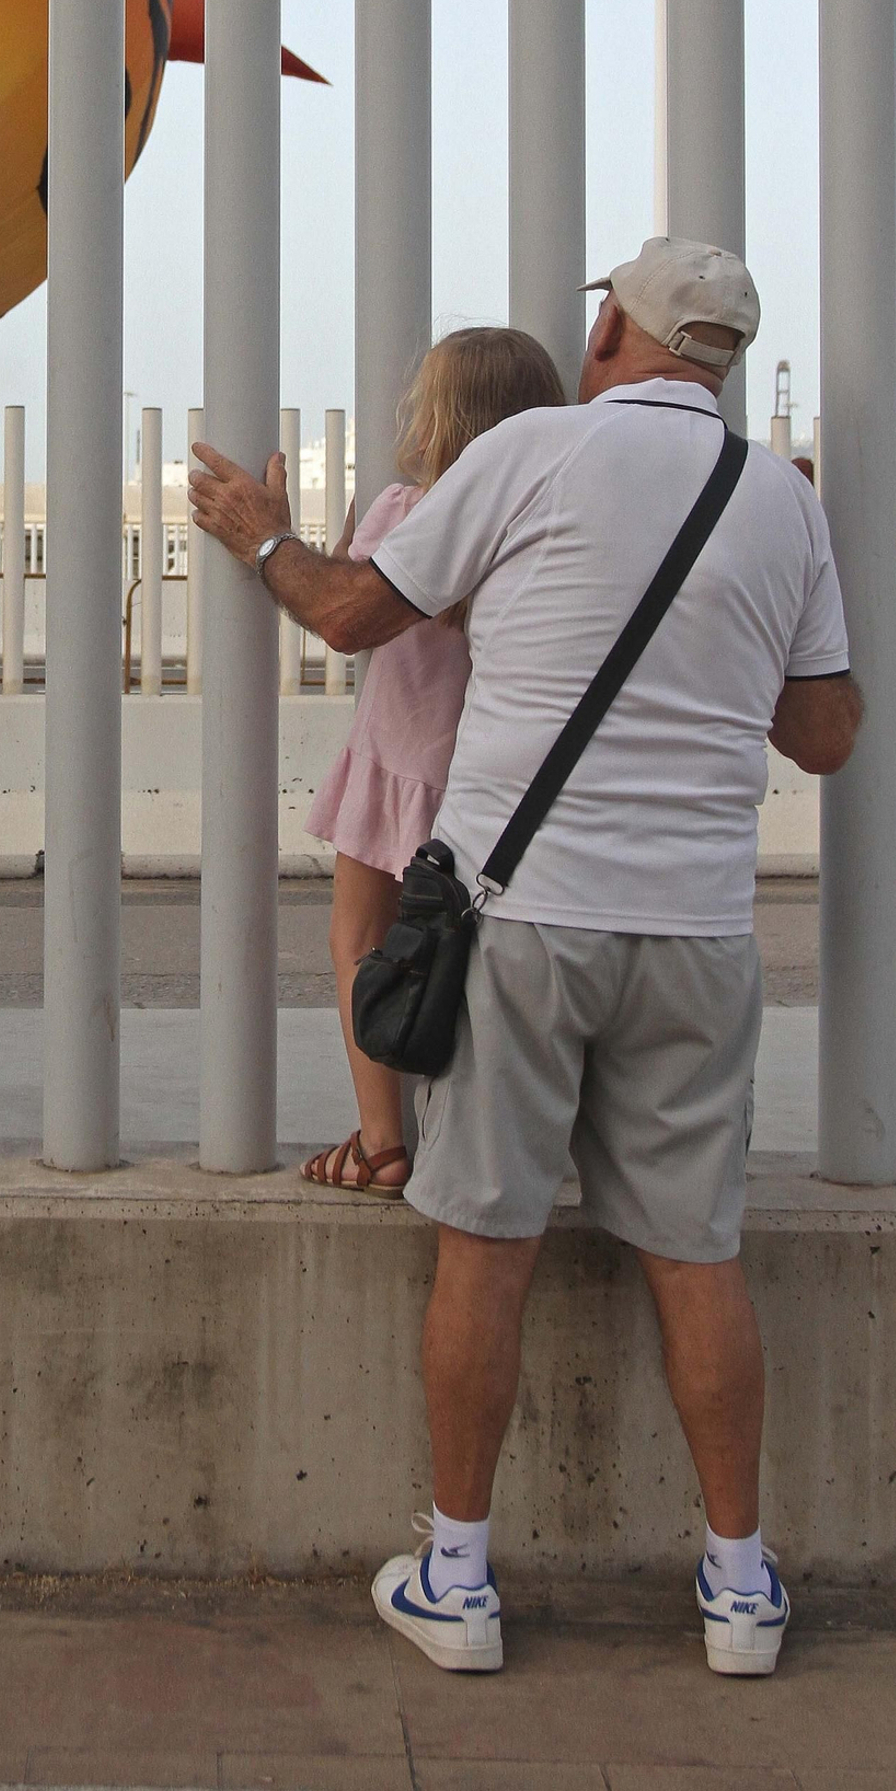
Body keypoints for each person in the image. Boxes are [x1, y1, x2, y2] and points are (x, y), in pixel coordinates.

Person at [190, 238, 860, 1681]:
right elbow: (824, 736)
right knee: (698, 1255)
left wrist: (258, 534)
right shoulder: (776, 499)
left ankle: (457, 1576)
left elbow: (354, 612)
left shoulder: (533, 454)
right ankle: (741, 1586)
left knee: (486, 1254)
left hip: (526, 915)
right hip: (698, 930)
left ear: (612, 330)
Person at [303, 328, 566, 1196]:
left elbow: (341, 608)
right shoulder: (542, 532)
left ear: (439, 421)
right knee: (491, 967)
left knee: (360, 943)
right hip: (491, 785)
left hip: (392, 763)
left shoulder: (402, 512)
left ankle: (383, 1140)